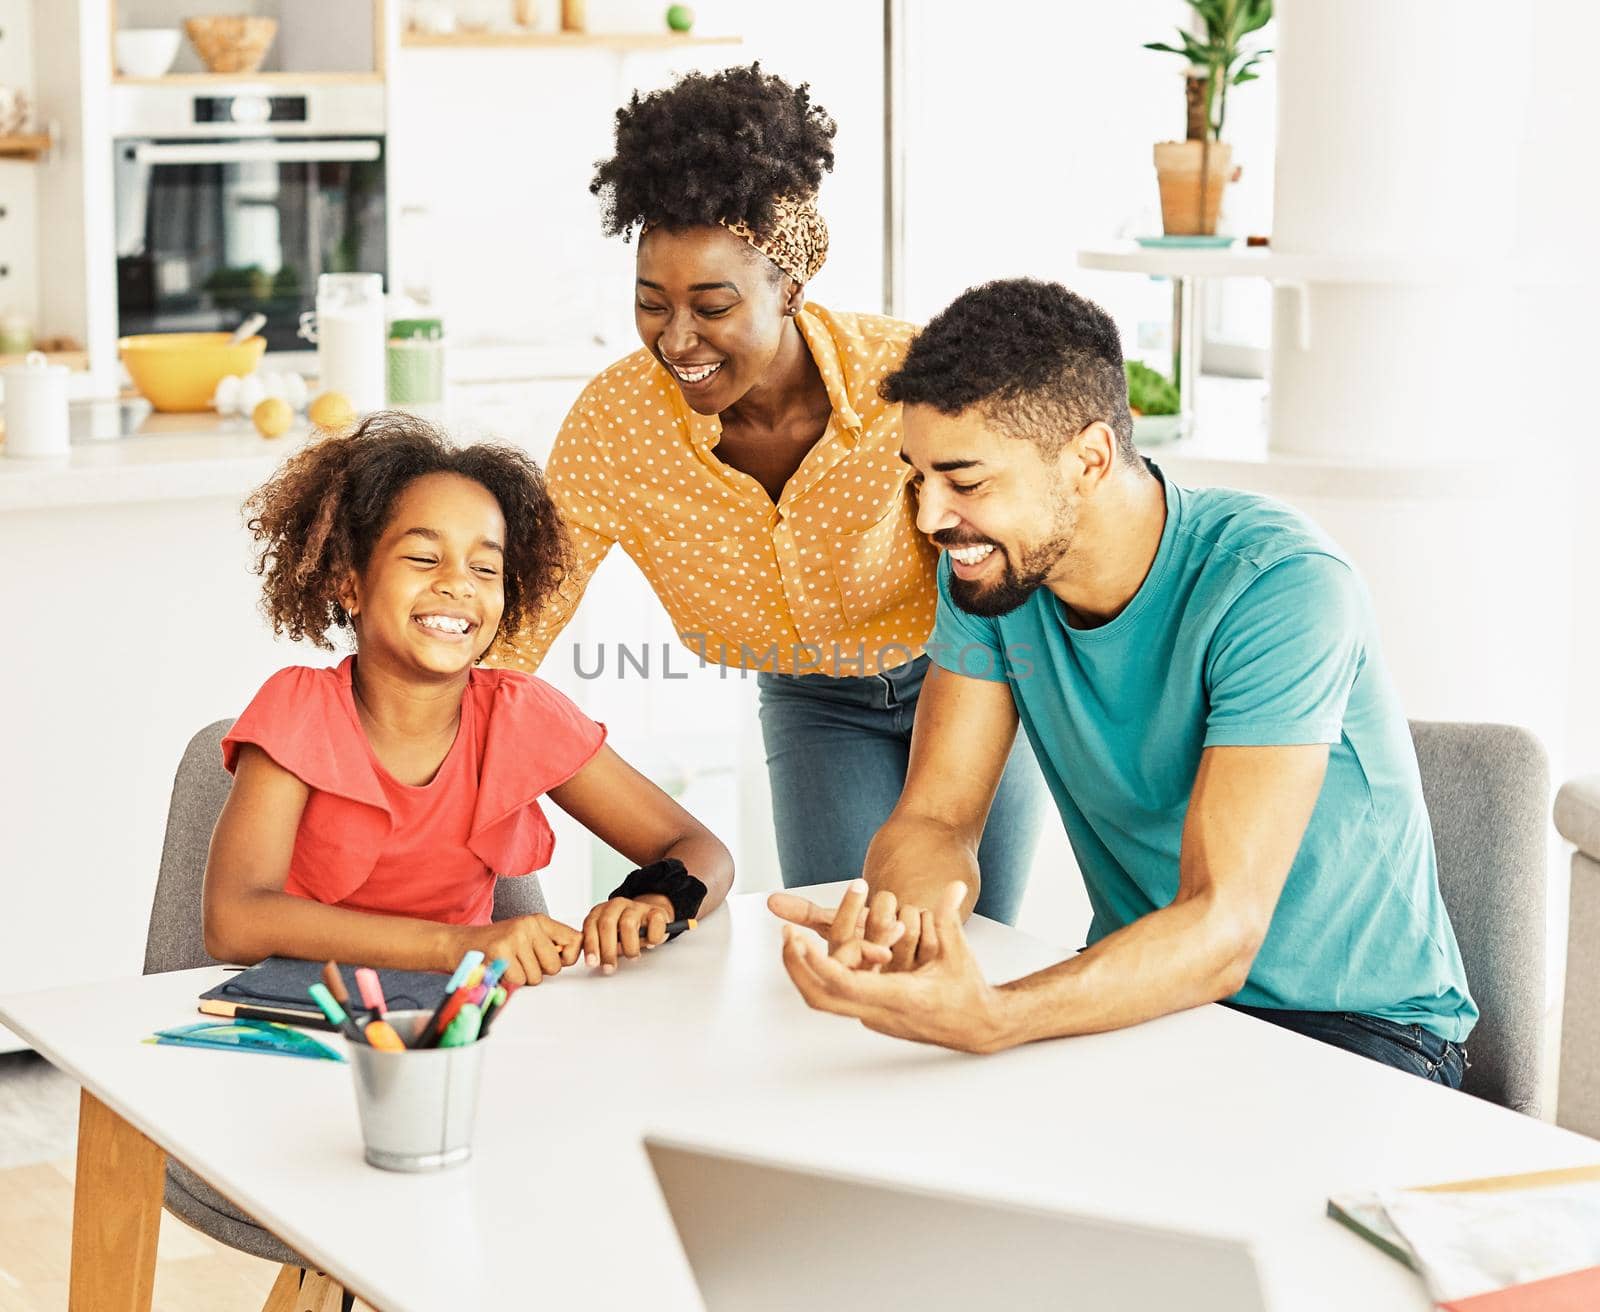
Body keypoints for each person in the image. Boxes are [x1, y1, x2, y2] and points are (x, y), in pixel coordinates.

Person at [771, 279, 1476, 1085]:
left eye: (965, 482)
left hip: (1359, 1030)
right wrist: (906, 923)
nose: (931, 518)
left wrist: (1001, 1016)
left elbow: (1223, 926)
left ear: (1089, 459)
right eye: (919, 477)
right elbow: (935, 818)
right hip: (1156, 1006)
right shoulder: (989, 575)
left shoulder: (1279, 585)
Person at [492, 64, 1044, 925]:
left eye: (713, 305)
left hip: (970, 674)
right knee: (845, 942)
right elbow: (531, 603)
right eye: (651, 304)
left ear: (788, 289)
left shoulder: (904, 376)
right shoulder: (616, 424)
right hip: (815, 701)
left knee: (974, 945)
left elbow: (1006, 543)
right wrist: (419, 722)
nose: (677, 339)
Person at [203, 412, 732, 986]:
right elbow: (234, 920)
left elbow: (702, 849)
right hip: (306, 1019)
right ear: (349, 581)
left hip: (462, 1025)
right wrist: (455, 944)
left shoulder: (519, 715)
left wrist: (655, 899)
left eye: (486, 567)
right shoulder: (301, 710)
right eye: (425, 558)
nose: (459, 584)